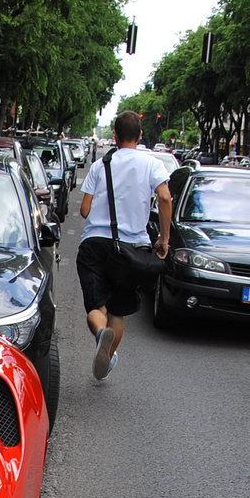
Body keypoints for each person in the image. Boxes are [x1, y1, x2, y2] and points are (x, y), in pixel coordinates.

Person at [76, 111, 173, 379]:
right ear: (140, 135)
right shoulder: (152, 164)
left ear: (115, 135)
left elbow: (85, 210)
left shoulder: (100, 166)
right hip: (133, 250)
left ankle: (100, 336)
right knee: (118, 311)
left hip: (95, 244)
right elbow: (165, 198)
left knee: (97, 308)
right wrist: (163, 240)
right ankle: (108, 355)